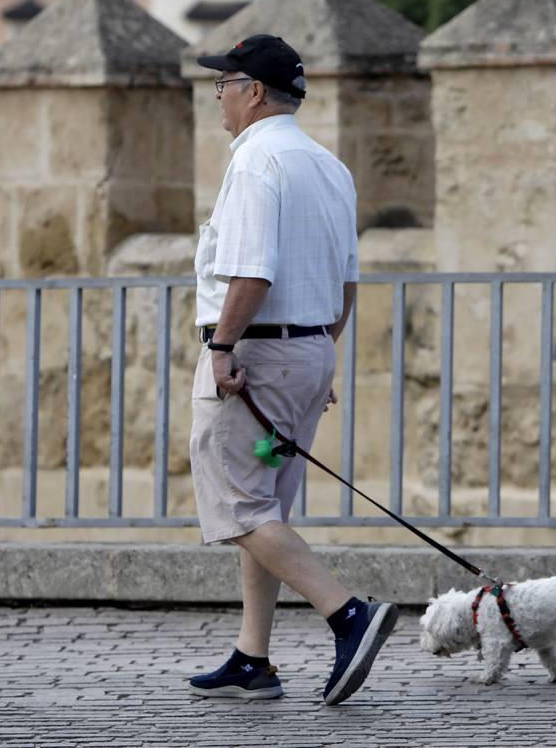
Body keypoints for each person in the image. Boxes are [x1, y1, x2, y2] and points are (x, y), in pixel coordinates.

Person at [185, 34, 396, 706]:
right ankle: (254, 658)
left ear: (252, 92)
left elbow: (250, 271)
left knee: (238, 506)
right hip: (307, 350)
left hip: (254, 357)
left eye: (223, 83)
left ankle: (348, 614)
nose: (217, 95)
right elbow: (347, 282)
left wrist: (222, 349)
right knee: (266, 503)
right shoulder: (329, 166)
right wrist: (318, 352)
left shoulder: (255, 163)